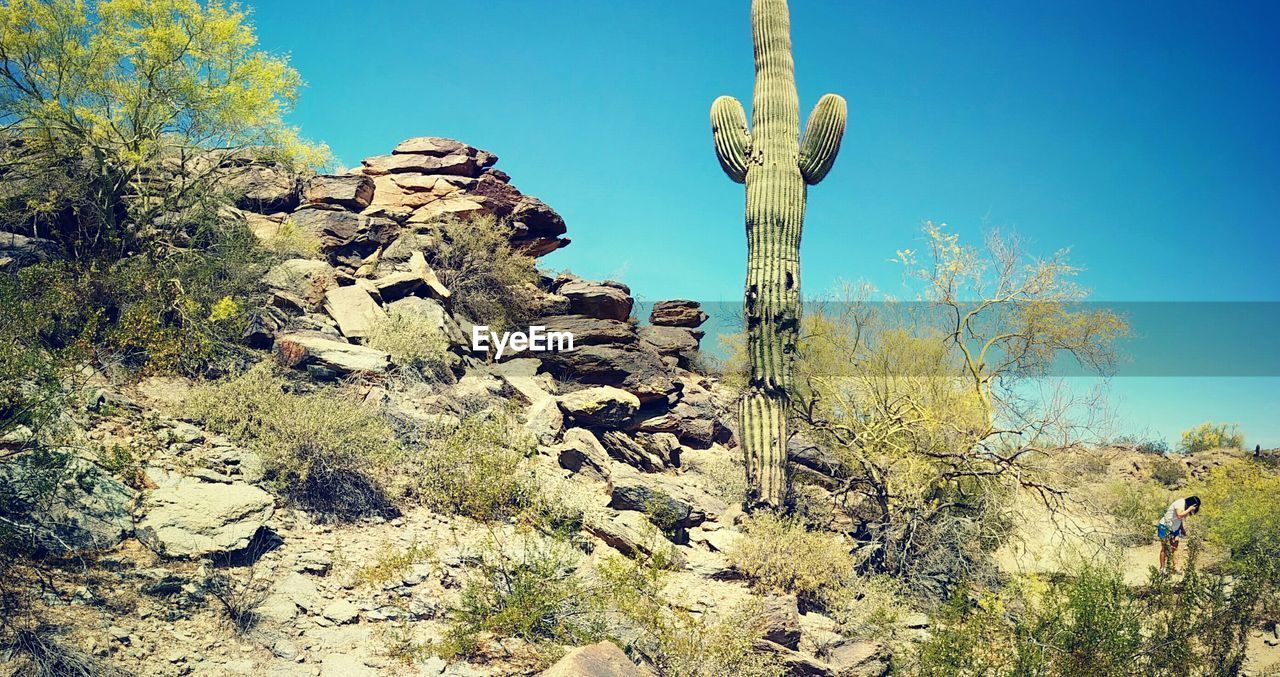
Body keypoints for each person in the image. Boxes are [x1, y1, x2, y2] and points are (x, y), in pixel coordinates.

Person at [1157, 495, 1200, 573]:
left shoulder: (1186, 507)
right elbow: (1179, 515)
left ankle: (1175, 567)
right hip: (1165, 526)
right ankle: (1162, 568)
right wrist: (1189, 509)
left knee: (1175, 547)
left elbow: (1180, 519)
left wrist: (1182, 529)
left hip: (1175, 528)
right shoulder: (1180, 503)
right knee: (1164, 548)